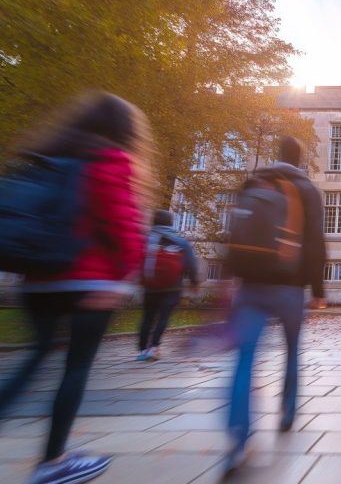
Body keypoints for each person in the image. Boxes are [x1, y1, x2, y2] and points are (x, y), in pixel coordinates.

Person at [0, 93, 148, 484]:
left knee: (34, 360)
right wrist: (123, 277)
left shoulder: (49, 155)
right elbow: (123, 226)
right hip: (88, 281)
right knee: (76, 367)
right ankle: (53, 462)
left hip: (38, 280)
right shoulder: (110, 161)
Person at [225, 135, 326, 474]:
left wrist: (230, 277)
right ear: (300, 159)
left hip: (250, 283)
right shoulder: (307, 188)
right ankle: (286, 412)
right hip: (289, 285)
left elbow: (235, 231)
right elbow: (315, 243)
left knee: (244, 360)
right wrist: (318, 289)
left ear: (276, 155)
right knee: (292, 349)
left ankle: (238, 441)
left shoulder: (255, 181)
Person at [137, 210, 199, 361]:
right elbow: (191, 263)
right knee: (163, 317)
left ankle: (142, 350)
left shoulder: (146, 239)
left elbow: (137, 258)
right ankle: (154, 348)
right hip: (172, 286)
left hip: (150, 286)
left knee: (147, 317)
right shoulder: (180, 241)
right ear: (171, 222)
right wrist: (194, 282)